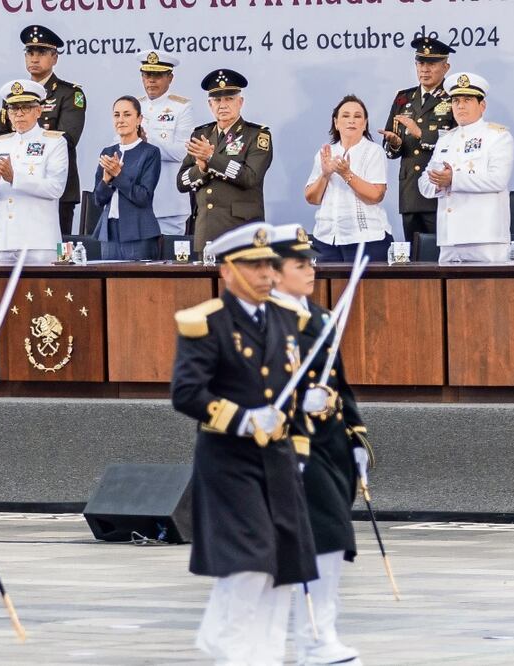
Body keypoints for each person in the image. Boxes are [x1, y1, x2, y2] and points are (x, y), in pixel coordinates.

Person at [171, 221, 318, 665]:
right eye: (252, 266)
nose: (264, 275)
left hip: (278, 457)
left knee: (283, 568)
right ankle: (231, 647)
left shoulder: (287, 318)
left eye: (269, 266)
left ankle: (266, 654)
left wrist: (303, 434)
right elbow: (187, 392)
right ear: (227, 271)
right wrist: (243, 418)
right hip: (230, 459)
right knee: (249, 562)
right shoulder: (207, 323)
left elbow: (288, 389)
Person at [271, 225, 371, 666]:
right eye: (300, 264)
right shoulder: (266, 322)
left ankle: (321, 631)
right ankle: (312, 637)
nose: (311, 270)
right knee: (317, 540)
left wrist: (357, 438)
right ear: (274, 272)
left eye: (311, 261)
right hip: (291, 445)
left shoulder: (321, 318)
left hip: (328, 445)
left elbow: (340, 386)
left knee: (333, 542)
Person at [0, 25, 85, 234]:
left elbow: (67, 138)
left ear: (55, 58)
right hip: (13, 187)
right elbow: (0, 135)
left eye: (41, 53)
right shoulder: (12, 95)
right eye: (30, 53)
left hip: (54, 187)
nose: (34, 58)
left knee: (57, 258)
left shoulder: (69, 93)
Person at [418, 73, 514, 263]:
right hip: (449, 237)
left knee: (490, 291)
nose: (460, 106)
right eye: (456, 101)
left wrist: (453, 179)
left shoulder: (497, 136)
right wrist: (438, 183)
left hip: (485, 236)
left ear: (482, 106)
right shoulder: (446, 139)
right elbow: (424, 183)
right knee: (448, 292)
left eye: (467, 100)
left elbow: (498, 179)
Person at [177, 69, 273, 253]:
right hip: (206, 233)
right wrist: (202, 169)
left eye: (229, 99)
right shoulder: (201, 134)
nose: (223, 105)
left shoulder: (257, 135)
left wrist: (212, 159)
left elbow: (250, 178)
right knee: (206, 283)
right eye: (217, 100)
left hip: (242, 233)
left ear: (240, 102)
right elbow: (181, 182)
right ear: (210, 104)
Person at [0, 79, 68, 265]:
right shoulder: (0, 143)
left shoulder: (54, 142)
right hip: (6, 240)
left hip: (39, 240)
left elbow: (55, 188)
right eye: (13, 109)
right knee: (6, 293)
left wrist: (15, 177)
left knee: (42, 294)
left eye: (25, 108)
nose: (19, 114)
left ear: (39, 111)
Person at [379, 37, 457, 244]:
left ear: (445, 67)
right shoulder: (403, 98)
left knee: (442, 254)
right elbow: (390, 148)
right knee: (414, 258)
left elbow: (458, 140)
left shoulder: (453, 99)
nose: (425, 69)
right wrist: (394, 142)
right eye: (420, 63)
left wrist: (420, 133)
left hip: (439, 187)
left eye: (431, 64)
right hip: (410, 191)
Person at [304, 95, 391, 262]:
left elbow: (376, 196)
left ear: (364, 124)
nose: (351, 120)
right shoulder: (326, 152)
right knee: (327, 288)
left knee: (365, 289)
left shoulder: (373, 151)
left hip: (366, 239)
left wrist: (346, 174)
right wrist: (325, 174)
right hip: (326, 238)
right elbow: (312, 198)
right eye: (345, 116)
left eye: (357, 116)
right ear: (336, 123)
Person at [92, 96, 162, 260]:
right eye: (116, 115)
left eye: (127, 114)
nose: (121, 120)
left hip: (138, 231)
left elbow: (143, 197)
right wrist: (106, 180)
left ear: (139, 119)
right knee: (110, 283)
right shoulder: (107, 152)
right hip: (109, 230)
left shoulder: (149, 152)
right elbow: (98, 199)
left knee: (137, 284)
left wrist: (117, 175)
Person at [136, 50, 195, 237]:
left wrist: (147, 142)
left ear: (170, 78)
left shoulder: (182, 107)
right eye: (147, 74)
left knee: (170, 263)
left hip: (169, 202)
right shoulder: (133, 106)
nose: (151, 80)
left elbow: (182, 152)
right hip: (137, 201)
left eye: (158, 75)